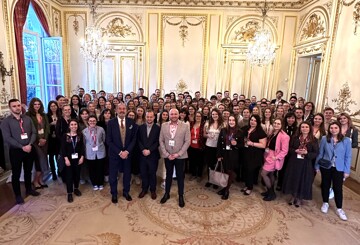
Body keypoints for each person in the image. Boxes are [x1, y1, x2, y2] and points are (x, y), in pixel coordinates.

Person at [1, 99, 40, 204]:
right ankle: (18, 195)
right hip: (16, 151)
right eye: (14, 106)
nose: (17, 108)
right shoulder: (6, 122)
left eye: (18, 105)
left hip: (29, 148)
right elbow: (7, 138)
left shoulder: (27, 118)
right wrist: (21, 147)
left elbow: (34, 133)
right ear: (10, 108)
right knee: (16, 173)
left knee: (28, 171)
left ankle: (29, 189)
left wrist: (29, 144)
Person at [315, 121, 352, 221]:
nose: (333, 130)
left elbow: (348, 157)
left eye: (336, 128)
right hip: (326, 167)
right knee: (325, 185)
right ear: (329, 129)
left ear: (339, 129)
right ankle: (325, 202)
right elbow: (320, 153)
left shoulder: (346, 141)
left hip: (339, 168)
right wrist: (317, 165)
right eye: (331, 128)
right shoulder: (324, 139)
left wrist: (347, 170)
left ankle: (339, 208)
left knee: (338, 188)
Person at [106, 103, 138, 203]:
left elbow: (134, 139)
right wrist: (120, 152)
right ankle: (114, 193)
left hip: (128, 154)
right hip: (115, 154)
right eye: (120, 108)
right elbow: (108, 140)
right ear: (116, 110)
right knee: (113, 174)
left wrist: (127, 151)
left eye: (124, 109)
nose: (122, 110)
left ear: (126, 110)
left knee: (127, 174)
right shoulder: (111, 123)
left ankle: (126, 192)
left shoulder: (131, 122)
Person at [159, 108, 191, 208]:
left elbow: (187, 141)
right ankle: (166, 193)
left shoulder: (185, 126)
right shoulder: (164, 125)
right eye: (171, 114)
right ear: (169, 115)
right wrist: (167, 154)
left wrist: (178, 154)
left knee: (180, 177)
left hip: (180, 156)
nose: (173, 116)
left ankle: (180, 196)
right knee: (168, 175)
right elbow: (161, 141)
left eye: (175, 114)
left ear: (178, 115)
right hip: (168, 155)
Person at [282, 121, 319, 207]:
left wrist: (306, 153)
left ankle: (299, 198)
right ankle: (293, 195)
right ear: (300, 128)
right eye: (302, 127)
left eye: (306, 127)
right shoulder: (294, 137)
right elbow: (289, 148)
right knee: (293, 178)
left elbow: (316, 153)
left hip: (305, 163)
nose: (304, 129)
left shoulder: (313, 140)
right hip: (294, 162)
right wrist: (295, 150)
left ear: (310, 129)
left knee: (302, 180)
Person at [260, 118, 290, 201]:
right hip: (268, 155)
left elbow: (285, 151)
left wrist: (276, 157)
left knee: (263, 173)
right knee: (270, 174)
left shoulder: (285, 136)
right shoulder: (272, 132)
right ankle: (270, 192)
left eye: (278, 124)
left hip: (274, 157)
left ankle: (271, 192)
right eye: (275, 123)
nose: (276, 125)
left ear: (281, 125)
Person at [216, 115, 244, 200]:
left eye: (233, 120)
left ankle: (227, 191)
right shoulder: (223, 130)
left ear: (236, 121)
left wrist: (236, 144)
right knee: (225, 172)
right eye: (230, 120)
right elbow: (219, 143)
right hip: (224, 154)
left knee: (229, 172)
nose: (231, 122)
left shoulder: (240, 132)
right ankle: (225, 188)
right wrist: (219, 155)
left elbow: (241, 145)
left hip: (233, 155)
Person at [26, 98, 50, 189]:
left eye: (38, 104)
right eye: (35, 104)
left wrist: (44, 139)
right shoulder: (28, 115)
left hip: (44, 141)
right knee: (39, 161)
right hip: (35, 142)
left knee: (44, 160)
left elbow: (47, 127)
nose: (37, 106)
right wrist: (38, 140)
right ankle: (35, 180)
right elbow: (29, 129)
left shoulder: (44, 115)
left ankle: (41, 179)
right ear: (32, 105)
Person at [137, 110, 161, 200]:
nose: (149, 118)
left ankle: (153, 190)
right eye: (148, 117)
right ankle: (144, 189)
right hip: (142, 155)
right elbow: (138, 140)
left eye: (151, 117)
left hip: (153, 155)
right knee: (143, 173)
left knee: (152, 173)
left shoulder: (157, 128)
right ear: (145, 117)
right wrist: (143, 149)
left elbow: (158, 141)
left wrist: (149, 150)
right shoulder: (141, 127)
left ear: (154, 117)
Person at [241, 115, 267, 195]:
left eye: (255, 120)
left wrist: (252, 143)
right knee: (245, 169)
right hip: (245, 152)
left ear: (258, 122)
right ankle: (247, 185)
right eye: (251, 120)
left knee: (250, 171)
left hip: (254, 154)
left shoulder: (260, 132)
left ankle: (250, 188)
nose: (252, 122)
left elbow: (263, 145)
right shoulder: (246, 128)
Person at [61, 119, 85, 203]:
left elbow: (82, 147)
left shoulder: (80, 135)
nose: (74, 126)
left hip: (78, 158)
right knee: (69, 176)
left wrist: (82, 157)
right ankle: (69, 193)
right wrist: (66, 159)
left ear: (77, 126)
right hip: (69, 159)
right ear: (69, 126)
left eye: (75, 124)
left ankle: (76, 188)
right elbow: (63, 149)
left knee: (77, 174)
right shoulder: (65, 136)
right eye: (72, 124)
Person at [83, 115, 106, 190]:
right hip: (90, 152)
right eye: (90, 121)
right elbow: (84, 142)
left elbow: (104, 139)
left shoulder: (101, 129)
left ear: (96, 121)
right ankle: (94, 183)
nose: (92, 122)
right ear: (88, 122)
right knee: (92, 169)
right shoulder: (84, 131)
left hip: (100, 151)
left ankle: (100, 183)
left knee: (100, 168)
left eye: (94, 121)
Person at [276, 112, 297, 191]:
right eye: (289, 118)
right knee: (282, 168)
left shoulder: (297, 129)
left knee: (290, 169)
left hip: (292, 151)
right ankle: (279, 183)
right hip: (282, 150)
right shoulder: (282, 128)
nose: (290, 120)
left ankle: (287, 185)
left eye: (292, 118)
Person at [203, 108, 224, 189]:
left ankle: (215, 181)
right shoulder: (208, 123)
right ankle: (210, 180)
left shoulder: (222, 124)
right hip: (209, 146)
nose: (214, 116)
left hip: (218, 147)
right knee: (210, 164)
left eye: (216, 114)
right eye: (213, 114)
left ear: (219, 115)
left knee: (217, 164)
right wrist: (208, 135)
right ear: (211, 115)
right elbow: (204, 134)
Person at [188, 111, 205, 182]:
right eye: (196, 116)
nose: (198, 117)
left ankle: (200, 175)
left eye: (199, 116)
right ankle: (193, 174)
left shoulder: (203, 125)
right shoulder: (191, 124)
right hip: (191, 146)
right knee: (192, 161)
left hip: (200, 146)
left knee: (200, 162)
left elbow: (204, 135)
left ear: (201, 117)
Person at [47, 101, 61, 180]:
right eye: (51, 106)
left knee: (58, 155)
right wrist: (51, 124)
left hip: (58, 138)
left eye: (54, 106)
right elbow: (45, 126)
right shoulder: (47, 116)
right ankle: (53, 172)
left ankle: (59, 170)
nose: (53, 107)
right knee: (51, 156)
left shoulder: (60, 115)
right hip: (50, 138)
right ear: (49, 107)